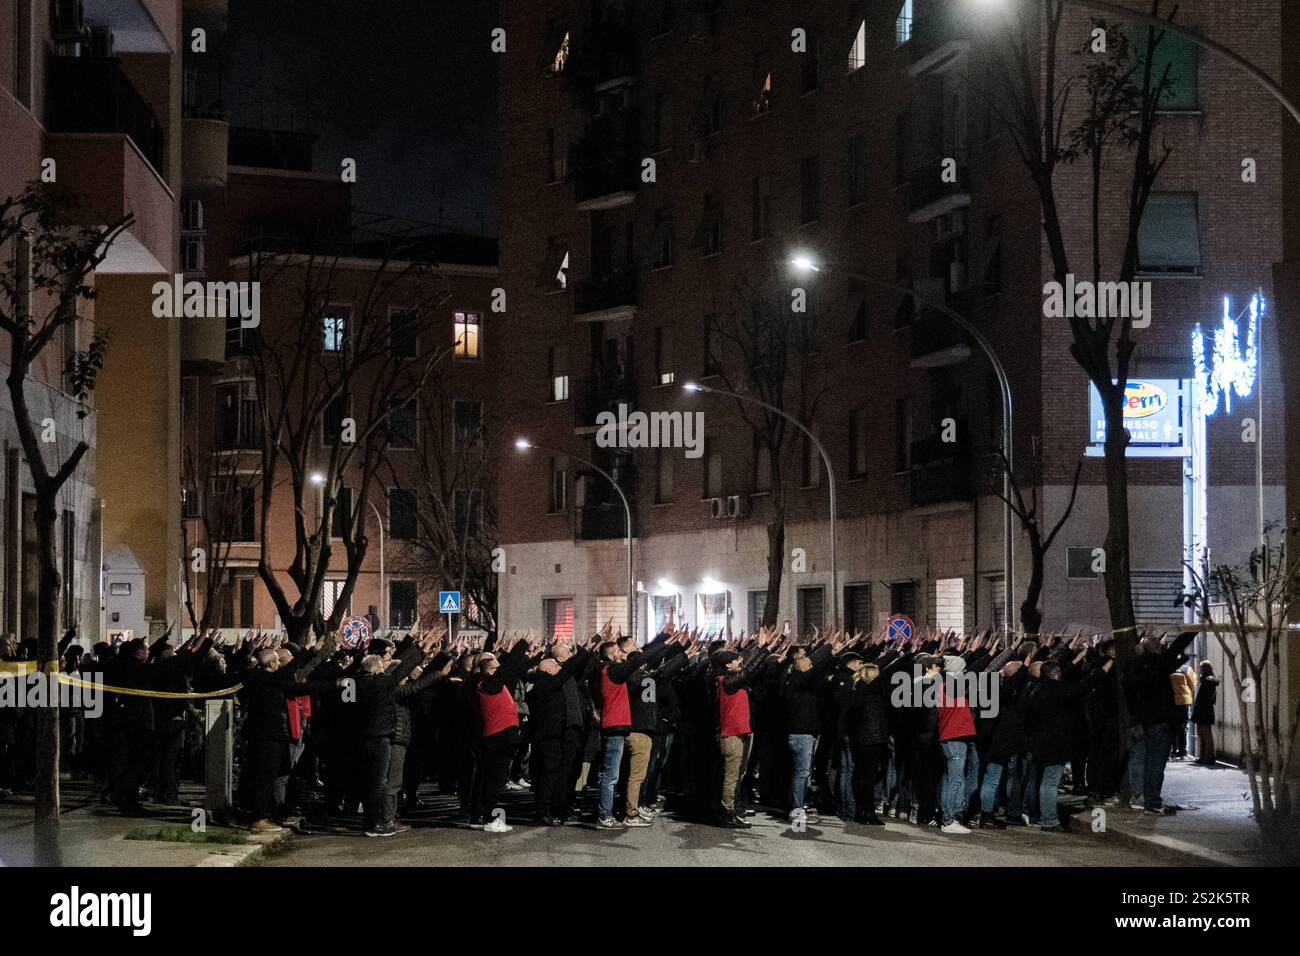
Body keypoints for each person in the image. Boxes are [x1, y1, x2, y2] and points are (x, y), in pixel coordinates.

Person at [1024, 657, 1113, 832]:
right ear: (1055, 674)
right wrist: (1104, 670)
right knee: (1050, 782)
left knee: (1042, 781)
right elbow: (1083, 686)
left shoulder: (1035, 691)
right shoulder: (1057, 690)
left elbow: (1028, 719)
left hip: (1040, 742)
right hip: (1056, 743)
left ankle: (1040, 815)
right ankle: (1049, 820)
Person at [470, 636, 537, 832]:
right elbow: (508, 667)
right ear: (489, 670)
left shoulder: (490, 684)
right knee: (494, 781)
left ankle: (477, 816)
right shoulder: (489, 684)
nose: (500, 669)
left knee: (486, 779)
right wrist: (523, 643)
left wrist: (534, 655)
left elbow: (515, 670)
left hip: (496, 737)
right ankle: (490, 819)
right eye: (496, 666)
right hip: (498, 738)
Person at [780, 642, 834, 822]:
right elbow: (815, 666)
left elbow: (818, 671)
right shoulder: (796, 681)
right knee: (801, 773)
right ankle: (796, 810)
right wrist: (828, 646)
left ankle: (796, 806)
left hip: (802, 734)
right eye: (806, 662)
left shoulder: (799, 683)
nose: (810, 664)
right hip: (801, 735)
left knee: (800, 773)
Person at [937, 655, 978, 835]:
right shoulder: (951, 687)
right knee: (955, 779)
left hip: (951, 737)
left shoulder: (944, 687)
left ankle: (949, 817)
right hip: (955, 737)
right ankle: (949, 819)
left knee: (950, 778)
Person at [1192, 661, 1219, 765]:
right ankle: (1205, 756)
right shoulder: (1209, 680)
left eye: (1202, 668)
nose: (1201, 670)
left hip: (1204, 711)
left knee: (1205, 735)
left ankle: (1207, 757)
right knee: (1204, 734)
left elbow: (1205, 698)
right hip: (1205, 710)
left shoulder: (1208, 680)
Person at [1169, 662, 1198, 759]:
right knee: (1183, 726)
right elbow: (1193, 684)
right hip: (1184, 702)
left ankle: (1173, 750)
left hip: (1171, 701)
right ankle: (1182, 750)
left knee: (1172, 726)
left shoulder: (1168, 668)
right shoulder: (1186, 669)